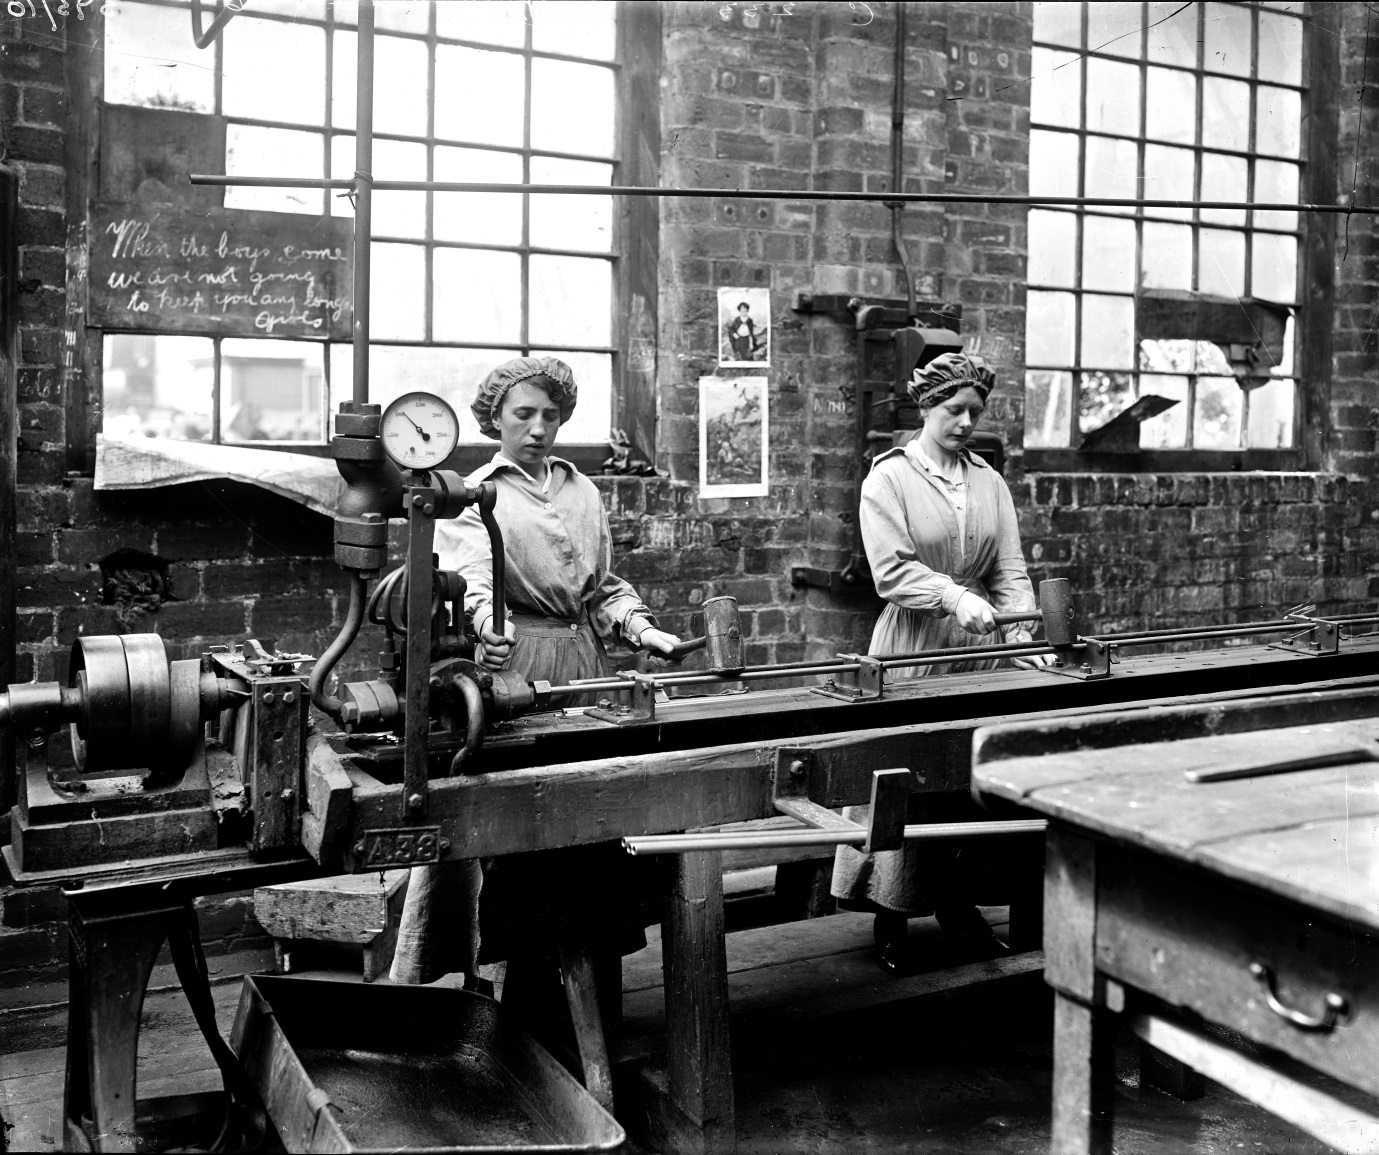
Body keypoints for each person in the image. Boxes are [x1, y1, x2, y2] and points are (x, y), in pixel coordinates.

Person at [390, 356, 680, 986]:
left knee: (595, 817)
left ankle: (593, 972)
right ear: (495, 417)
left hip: (586, 668)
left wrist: (644, 630)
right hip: (520, 670)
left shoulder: (584, 491)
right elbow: (472, 585)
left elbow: (601, 588)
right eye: (523, 414)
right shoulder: (473, 496)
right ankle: (514, 982)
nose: (538, 428)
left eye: (551, 415)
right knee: (524, 825)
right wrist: (485, 630)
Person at [829, 352, 1052, 972]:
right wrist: (953, 596)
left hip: (978, 648)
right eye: (953, 409)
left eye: (974, 412)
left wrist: (1025, 642)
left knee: (964, 782)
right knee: (904, 784)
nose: (964, 422)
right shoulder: (889, 479)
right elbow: (892, 571)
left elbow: (1010, 572)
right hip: (914, 646)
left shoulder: (989, 481)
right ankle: (890, 912)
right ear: (926, 407)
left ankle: (957, 906)